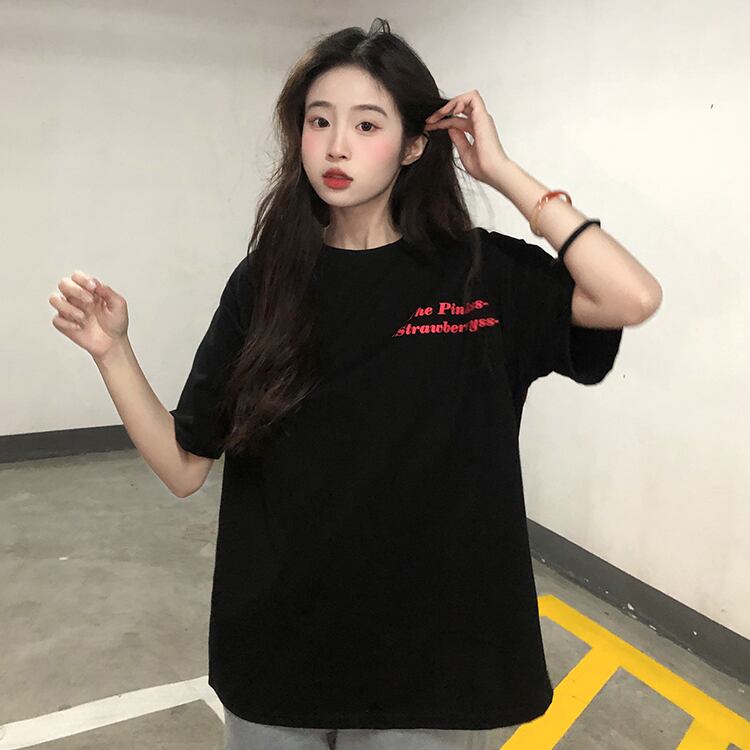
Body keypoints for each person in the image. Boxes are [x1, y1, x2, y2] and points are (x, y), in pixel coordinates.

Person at [50, 17, 656, 750]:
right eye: (319, 121)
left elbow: (630, 297)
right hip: (280, 655)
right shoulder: (266, 282)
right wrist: (113, 352)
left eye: (366, 125)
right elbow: (184, 466)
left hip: (433, 667)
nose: (336, 145)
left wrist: (501, 172)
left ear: (414, 145)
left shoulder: (480, 275)